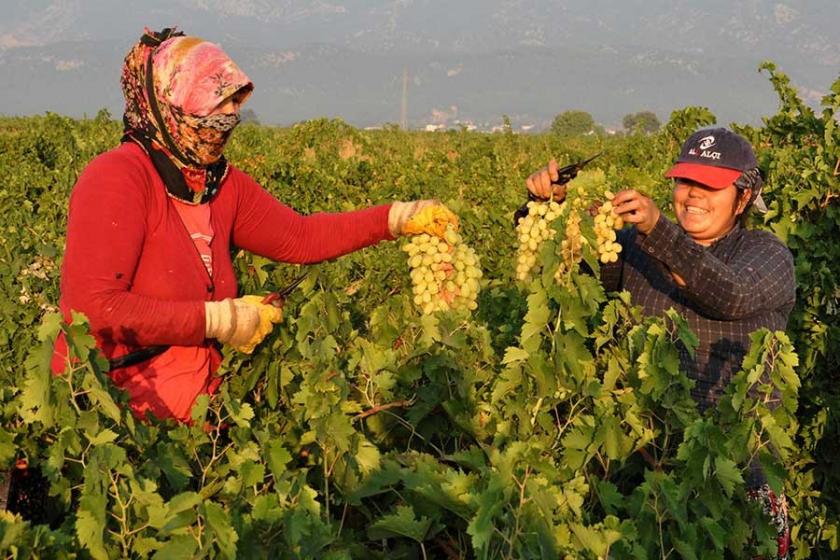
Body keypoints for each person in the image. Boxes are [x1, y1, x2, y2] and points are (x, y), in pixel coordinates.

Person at [50, 28, 455, 423]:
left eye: (233, 104)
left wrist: (395, 218)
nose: (227, 118)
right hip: (113, 424)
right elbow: (95, 307)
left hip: (200, 420)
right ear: (165, 105)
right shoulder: (117, 178)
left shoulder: (218, 185)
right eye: (213, 103)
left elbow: (301, 238)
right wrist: (220, 321)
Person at [526, 128, 794, 559]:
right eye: (685, 182)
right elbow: (572, 276)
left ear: (743, 197)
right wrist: (551, 206)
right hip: (644, 473)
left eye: (710, 185)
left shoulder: (766, 255)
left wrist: (658, 229)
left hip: (735, 478)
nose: (693, 195)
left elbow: (729, 294)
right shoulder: (637, 245)